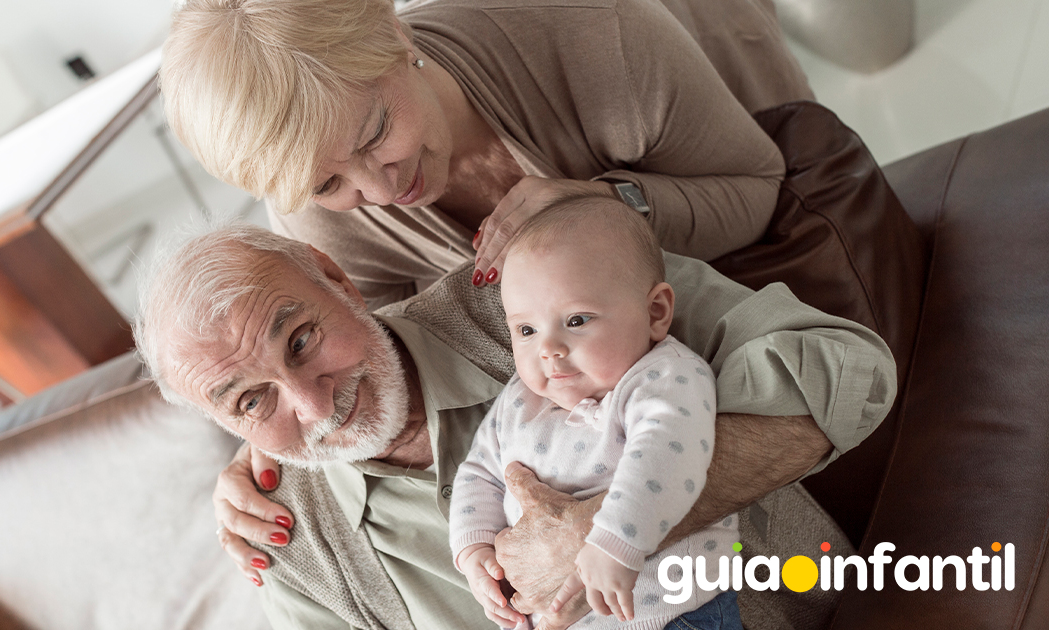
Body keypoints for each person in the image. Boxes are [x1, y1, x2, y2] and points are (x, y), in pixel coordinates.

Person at [133, 221, 897, 630]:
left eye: (299, 340)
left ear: (335, 277)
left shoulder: (537, 301)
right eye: (249, 402)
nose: (311, 403)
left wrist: (616, 528)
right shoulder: (289, 546)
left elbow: (848, 369)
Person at [158, 0, 814, 308]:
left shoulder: (600, 31)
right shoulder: (317, 217)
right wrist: (270, 451)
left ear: (394, 32)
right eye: (329, 182)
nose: (381, 194)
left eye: (375, 134)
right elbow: (380, 365)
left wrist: (614, 207)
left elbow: (761, 186)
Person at [450, 198, 739, 630]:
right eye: (526, 330)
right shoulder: (519, 399)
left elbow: (667, 459)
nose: (548, 348)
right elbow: (478, 474)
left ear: (655, 312)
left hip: (671, 613)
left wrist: (615, 542)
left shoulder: (662, 377)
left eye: (576, 319)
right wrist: (474, 553)